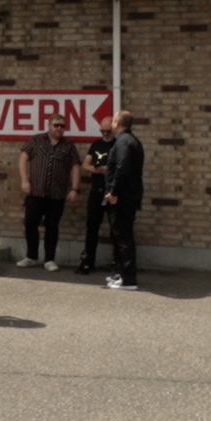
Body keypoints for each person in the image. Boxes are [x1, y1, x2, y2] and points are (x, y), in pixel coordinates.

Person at [16, 116, 80, 271]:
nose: (59, 129)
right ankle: (31, 256)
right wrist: (25, 180)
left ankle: (49, 259)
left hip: (57, 194)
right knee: (31, 223)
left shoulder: (69, 146)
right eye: (56, 125)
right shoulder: (36, 140)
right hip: (36, 191)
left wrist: (74, 189)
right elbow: (23, 158)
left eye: (62, 126)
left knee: (52, 226)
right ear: (49, 125)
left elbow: (76, 166)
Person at [102, 110, 144, 291]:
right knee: (119, 235)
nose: (111, 123)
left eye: (113, 121)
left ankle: (128, 279)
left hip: (123, 197)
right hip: (127, 196)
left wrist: (113, 192)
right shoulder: (127, 141)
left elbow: (122, 169)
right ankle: (120, 274)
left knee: (123, 236)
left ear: (117, 123)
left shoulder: (124, 143)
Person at [75, 118, 117, 274]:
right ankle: (88, 260)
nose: (105, 134)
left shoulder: (118, 144)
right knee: (92, 227)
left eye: (108, 131)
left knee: (115, 227)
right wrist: (95, 169)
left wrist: (109, 170)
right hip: (97, 190)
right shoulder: (96, 144)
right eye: (102, 131)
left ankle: (117, 261)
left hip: (112, 191)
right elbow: (85, 163)